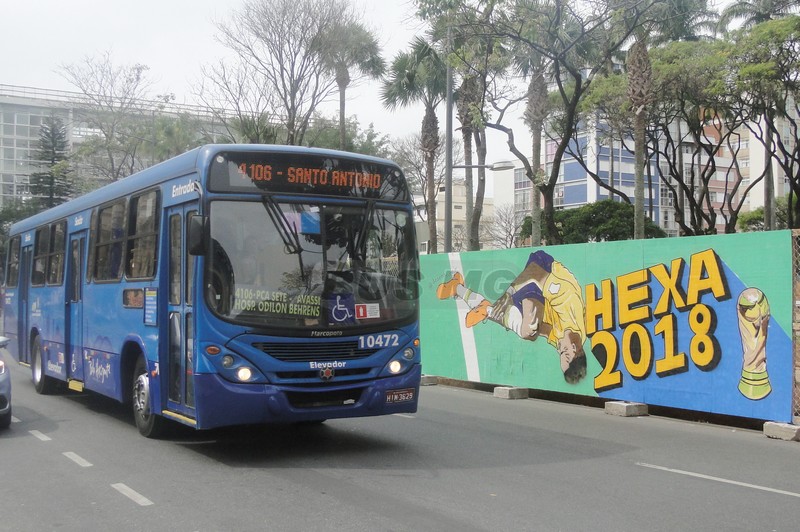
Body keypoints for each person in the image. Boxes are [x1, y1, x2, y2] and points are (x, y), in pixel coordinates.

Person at [437, 250, 587, 384]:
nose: (559, 349)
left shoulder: (565, 339)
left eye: (559, 353)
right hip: (543, 266)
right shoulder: (569, 303)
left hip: (541, 299)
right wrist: (509, 293)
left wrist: (507, 321)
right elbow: (536, 273)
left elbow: (545, 330)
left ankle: (458, 288)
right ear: (574, 348)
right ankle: (486, 309)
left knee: (527, 331)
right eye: (563, 352)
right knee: (528, 329)